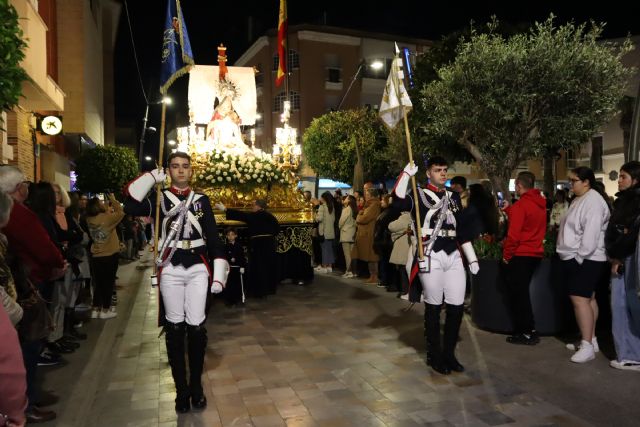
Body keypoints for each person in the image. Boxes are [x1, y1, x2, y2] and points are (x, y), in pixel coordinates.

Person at [124, 151, 228, 412]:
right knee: (174, 328)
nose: (180, 171)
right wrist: (150, 177)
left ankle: (196, 386)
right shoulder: (159, 199)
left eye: (185, 167)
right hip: (170, 266)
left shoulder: (202, 200)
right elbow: (130, 205)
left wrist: (218, 273)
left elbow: (214, 238)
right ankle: (181, 390)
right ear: (168, 171)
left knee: (196, 328)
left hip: (197, 267)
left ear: (191, 171)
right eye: (175, 167)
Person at [394, 156, 480, 375]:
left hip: (453, 254)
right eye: (437, 170)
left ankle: (449, 354)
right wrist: (405, 174)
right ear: (428, 173)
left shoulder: (453, 196)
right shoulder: (418, 193)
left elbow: (461, 230)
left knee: (456, 305)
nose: (443, 173)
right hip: (430, 253)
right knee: (434, 305)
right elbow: (397, 201)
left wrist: (471, 257)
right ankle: (435, 354)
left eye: (444, 169)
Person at [557, 166, 610, 363]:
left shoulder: (593, 201)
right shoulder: (581, 198)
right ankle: (591, 339)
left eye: (573, 181)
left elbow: (591, 235)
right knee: (588, 299)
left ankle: (587, 345)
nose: (570, 184)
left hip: (586, 258)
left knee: (580, 300)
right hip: (579, 257)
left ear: (586, 181)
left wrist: (578, 258)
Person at [501, 172, 547, 346]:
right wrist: (508, 210)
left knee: (519, 296)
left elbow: (514, 235)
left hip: (520, 254)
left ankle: (526, 332)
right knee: (522, 294)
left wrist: (506, 256)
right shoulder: (540, 204)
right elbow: (527, 221)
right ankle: (529, 330)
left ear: (519, 185)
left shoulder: (522, 205)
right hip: (535, 253)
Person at [605, 161, 640, 370]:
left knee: (623, 305)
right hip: (625, 257)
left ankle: (630, 354)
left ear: (635, 179)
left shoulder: (633, 202)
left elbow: (629, 233)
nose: (619, 180)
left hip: (627, 259)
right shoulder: (626, 200)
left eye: (623, 176)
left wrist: (617, 256)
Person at [216, 199, 279, 298]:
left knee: (258, 267)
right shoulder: (270, 216)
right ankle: (269, 288)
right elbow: (277, 229)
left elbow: (241, 215)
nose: (252, 207)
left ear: (259, 206)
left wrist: (225, 209)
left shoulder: (254, 216)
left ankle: (258, 291)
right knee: (268, 266)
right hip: (269, 245)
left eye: (253, 205)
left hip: (258, 245)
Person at [85, 194, 124, 320]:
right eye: (100, 203)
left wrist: (106, 206)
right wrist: (113, 199)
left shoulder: (89, 219)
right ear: (97, 206)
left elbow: (105, 214)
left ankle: (96, 308)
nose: (103, 203)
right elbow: (120, 212)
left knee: (99, 283)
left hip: (96, 255)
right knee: (108, 283)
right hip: (110, 254)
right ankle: (105, 310)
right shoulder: (107, 218)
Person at [351, 188, 381, 283]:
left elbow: (364, 219)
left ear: (372, 195)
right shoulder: (369, 205)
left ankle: (374, 276)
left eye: (367, 194)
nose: (366, 196)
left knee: (372, 257)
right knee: (369, 257)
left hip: (369, 233)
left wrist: (359, 216)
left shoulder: (374, 205)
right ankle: (371, 275)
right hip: (366, 233)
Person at [313, 191, 336, 274]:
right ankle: (330, 266)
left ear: (324, 199)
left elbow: (319, 219)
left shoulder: (322, 207)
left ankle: (324, 266)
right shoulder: (332, 207)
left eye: (321, 197)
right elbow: (333, 220)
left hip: (323, 232)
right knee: (329, 250)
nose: (320, 199)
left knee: (324, 250)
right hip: (330, 231)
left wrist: (315, 215)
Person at [223, 228, 246, 306]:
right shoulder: (225, 247)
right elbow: (224, 258)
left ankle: (237, 299)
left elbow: (242, 257)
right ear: (226, 236)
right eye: (228, 235)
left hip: (237, 267)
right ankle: (229, 300)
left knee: (237, 284)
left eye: (232, 235)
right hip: (229, 268)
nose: (230, 237)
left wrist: (242, 266)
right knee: (229, 284)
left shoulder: (239, 246)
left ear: (236, 236)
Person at [339, 195, 357, 278]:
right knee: (352, 254)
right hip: (352, 233)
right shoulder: (354, 209)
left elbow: (342, 221)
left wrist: (339, 226)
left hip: (346, 233)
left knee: (347, 255)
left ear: (349, 200)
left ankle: (348, 271)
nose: (344, 199)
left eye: (346, 198)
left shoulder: (346, 209)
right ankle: (353, 271)